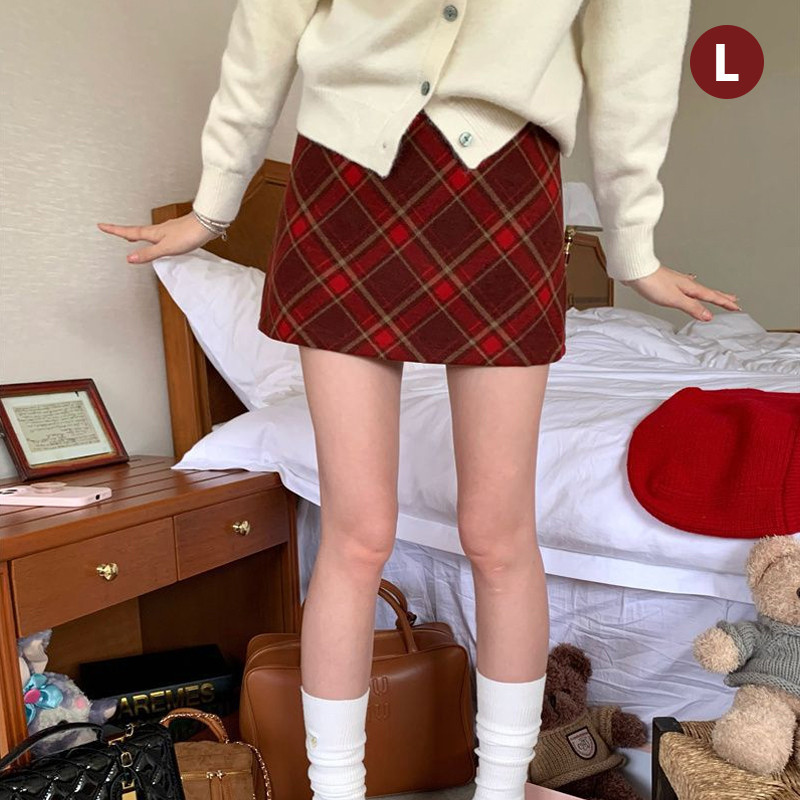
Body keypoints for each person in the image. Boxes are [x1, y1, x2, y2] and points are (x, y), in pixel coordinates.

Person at [99, 2, 741, 798]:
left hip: (507, 185)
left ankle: (501, 790)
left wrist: (633, 243)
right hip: (344, 179)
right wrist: (213, 205)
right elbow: (267, 23)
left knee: (499, 533)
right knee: (357, 533)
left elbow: (633, 54)